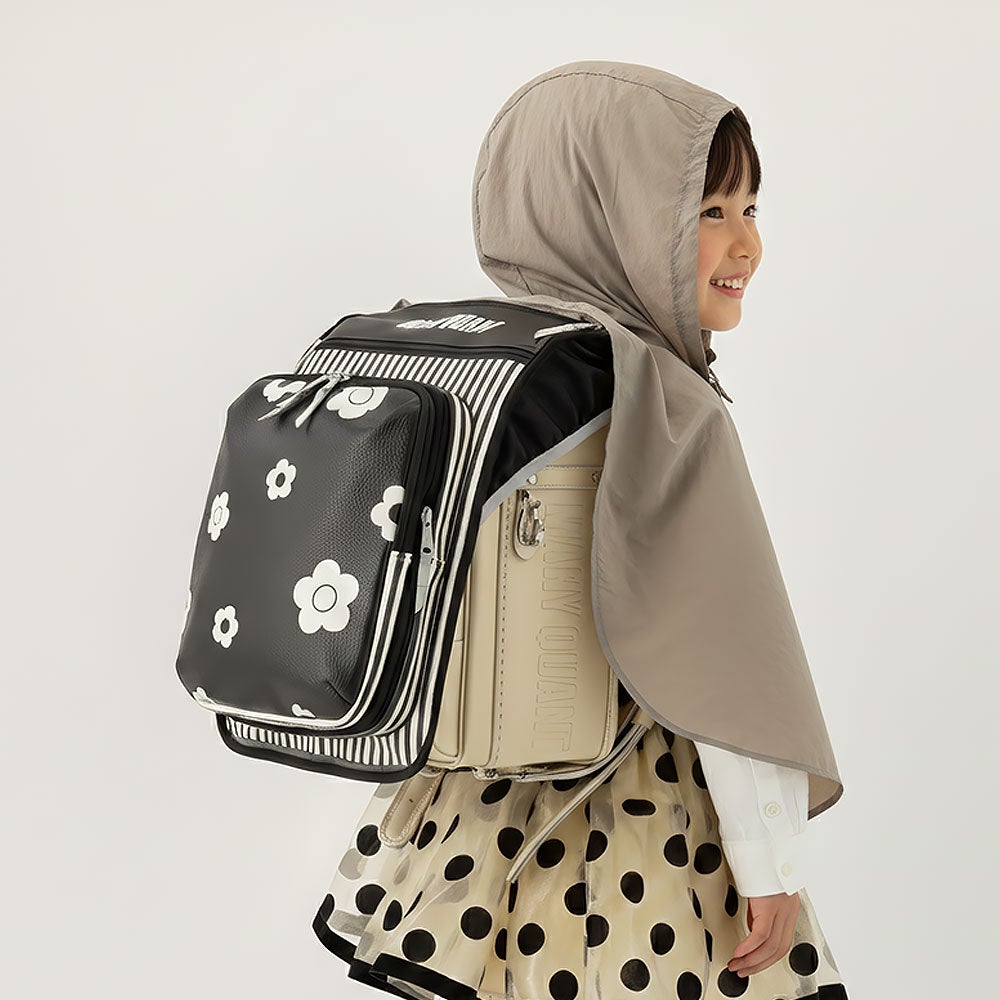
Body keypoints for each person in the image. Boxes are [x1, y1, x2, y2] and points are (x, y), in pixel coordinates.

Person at [312, 61, 849, 1000]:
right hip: (640, 815)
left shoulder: (497, 368)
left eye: (750, 208)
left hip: (482, 806)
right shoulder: (665, 401)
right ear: (614, 215)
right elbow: (726, 665)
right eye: (708, 211)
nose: (748, 245)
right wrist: (769, 861)